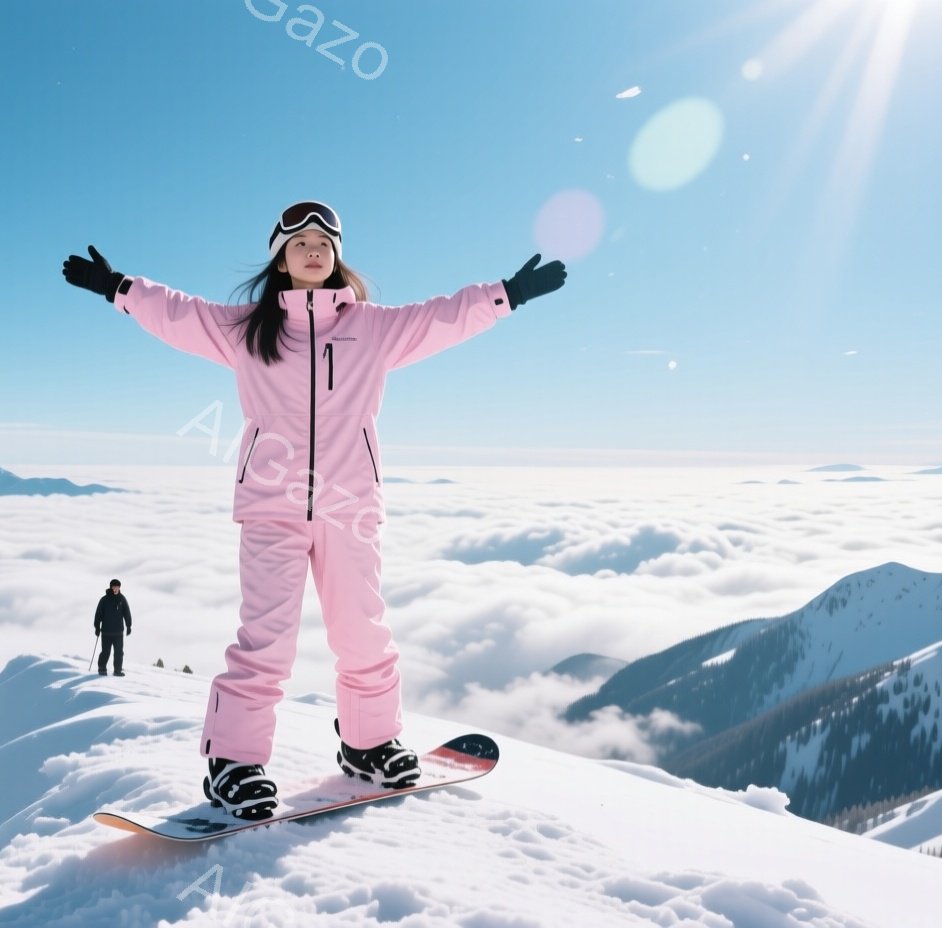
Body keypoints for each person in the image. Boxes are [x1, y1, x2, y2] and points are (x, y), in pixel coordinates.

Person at [62, 200, 565, 820]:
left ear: (337, 256)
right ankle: (233, 763)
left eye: (324, 241)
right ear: (280, 256)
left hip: (351, 509)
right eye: (299, 241)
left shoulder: (373, 328)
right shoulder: (248, 328)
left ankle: (369, 743)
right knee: (266, 641)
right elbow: (179, 314)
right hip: (271, 506)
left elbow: (442, 318)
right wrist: (118, 287)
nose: (313, 248)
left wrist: (507, 294)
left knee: (363, 632)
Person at [93, 578, 132, 676]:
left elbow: (127, 613)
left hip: (118, 632)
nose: (115, 589)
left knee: (119, 653)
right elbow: (98, 614)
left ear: (119, 588)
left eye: (117, 587)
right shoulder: (104, 600)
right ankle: (102, 668)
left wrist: (128, 626)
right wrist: (97, 627)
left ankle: (117, 670)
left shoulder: (122, 599)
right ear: (111, 587)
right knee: (105, 651)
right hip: (106, 632)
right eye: (114, 587)